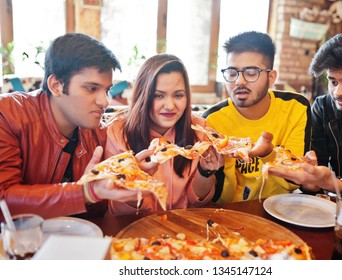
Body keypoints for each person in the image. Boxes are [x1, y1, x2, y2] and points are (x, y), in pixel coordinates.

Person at [0, 33, 140, 221]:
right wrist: (85, 192)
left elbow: (98, 214)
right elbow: (4, 200)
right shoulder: (8, 114)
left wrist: (131, 177)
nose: (104, 101)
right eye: (91, 88)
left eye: (107, 90)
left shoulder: (99, 132)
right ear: (56, 85)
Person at [268, 33, 342, 196]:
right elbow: (317, 179)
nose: (338, 92)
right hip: (332, 211)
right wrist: (310, 181)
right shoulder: (323, 108)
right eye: (333, 82)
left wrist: (338, 185)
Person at [202, 31, 311, 204]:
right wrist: (226, 161)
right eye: (232, 72)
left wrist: (268, 154)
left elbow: (295, 181)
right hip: (231, 213)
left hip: (281, 210)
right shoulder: (211, 120)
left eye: (251, 73)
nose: (239, 81)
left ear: (271, 77)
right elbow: (219, 196)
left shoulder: (295, 107)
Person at [105, 54, 222, 215]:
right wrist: (135, 181)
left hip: (183, 230)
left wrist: (205, 172)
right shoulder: (117, 133)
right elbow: (119, 211)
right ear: (142, 95)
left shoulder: (200, 130)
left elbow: (198, 202)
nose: (169, 105)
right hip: (136, 230)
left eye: (178, 95)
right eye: (158, 95)